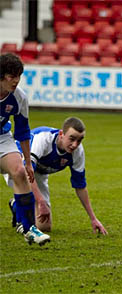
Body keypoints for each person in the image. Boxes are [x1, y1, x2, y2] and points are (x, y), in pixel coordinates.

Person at [5, 117, 108, 235]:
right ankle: (21, 209)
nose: (75, 145)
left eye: (79, 140)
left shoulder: (77, 152)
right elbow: (27, 172)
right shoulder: (43, 139)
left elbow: (80, 186)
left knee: (44, 226)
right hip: (18, 163)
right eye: (72, 139)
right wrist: (40, 201)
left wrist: (93, 218)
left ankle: (16, 205)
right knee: (30, 213)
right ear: (61, 134)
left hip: (38, 173)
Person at [0, 53, 51, 245]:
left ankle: (30, 229)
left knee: (20, 172)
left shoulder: (19, 97)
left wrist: (28, 162)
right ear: (1, 75)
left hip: (2, 137)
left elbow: (22, 131)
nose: (16, 81)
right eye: (11, 76)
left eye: (18, 76)